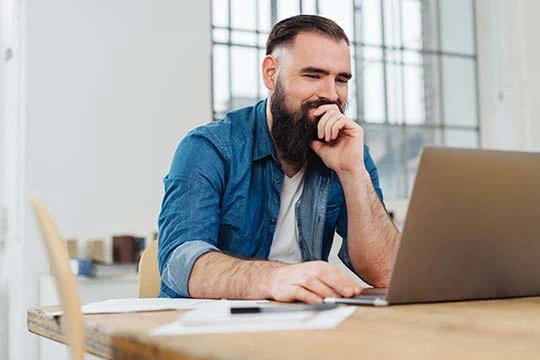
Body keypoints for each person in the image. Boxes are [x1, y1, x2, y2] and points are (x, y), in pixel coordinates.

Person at [157, 14, 400, 304]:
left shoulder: (349, 152)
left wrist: (352, 171)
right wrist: (274, 278)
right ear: (271, 73)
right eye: (313, 75)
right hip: (203, 332)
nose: (331, 95)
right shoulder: (209, 147)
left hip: (300, 328)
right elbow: (179, 263)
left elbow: (387, 272)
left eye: (341, 80)